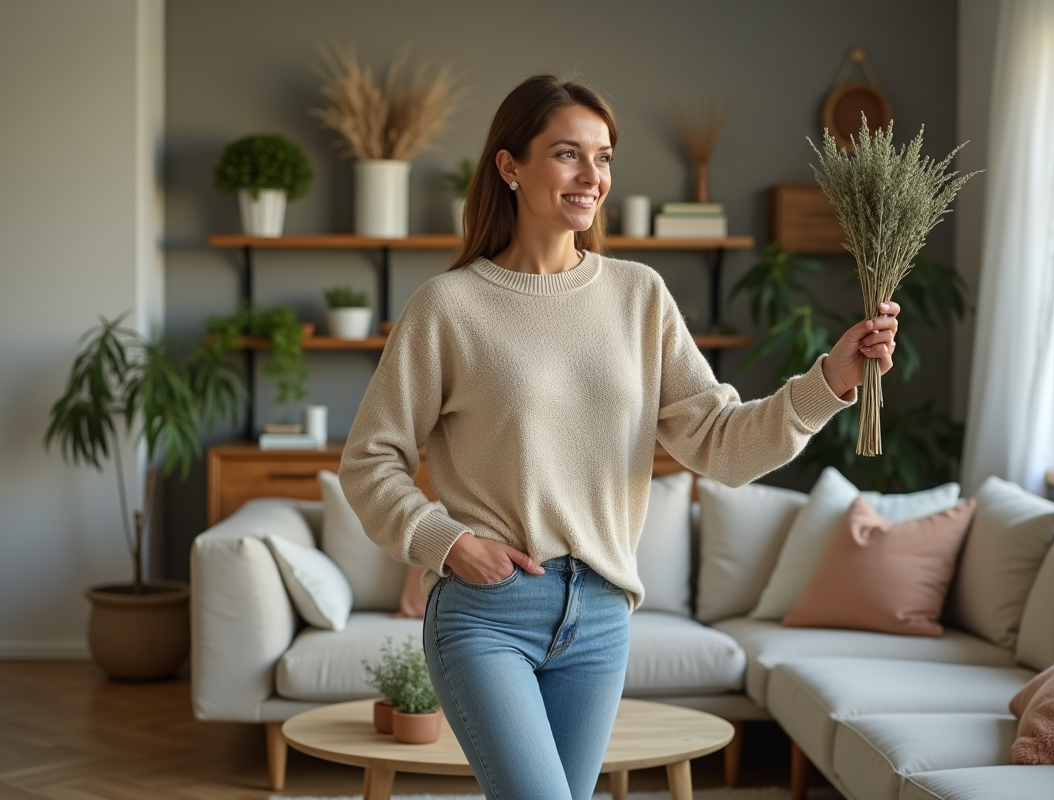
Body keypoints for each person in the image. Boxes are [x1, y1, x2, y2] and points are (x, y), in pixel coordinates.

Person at [339, 74, 899, 800]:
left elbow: (721, 444)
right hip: (488, 613)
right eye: (568, 154)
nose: (591, 176)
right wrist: (446, 541)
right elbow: (369, 460)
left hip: (601, 614)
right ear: (509, 166)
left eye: (603, 157)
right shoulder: (448, 307)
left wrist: (831, 379)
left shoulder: (638, 296)